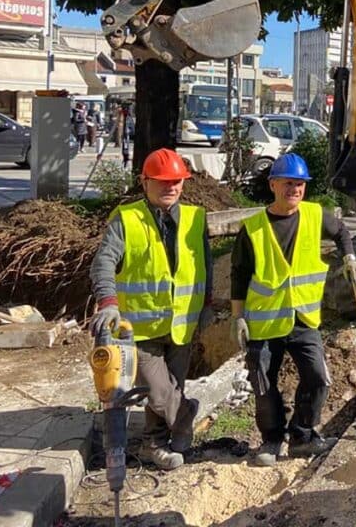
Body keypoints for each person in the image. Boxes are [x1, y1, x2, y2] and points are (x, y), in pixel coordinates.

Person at [230, 152, 356, 467]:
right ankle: (271, 439)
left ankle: (302, 436)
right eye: (288, 183)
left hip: (303, 318)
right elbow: (239, 276)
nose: (295, 189)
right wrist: (238, 318)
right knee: (263, 382)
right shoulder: (253, 228)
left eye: (300, 184)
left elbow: (342, 232)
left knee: (317, 377)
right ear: (273, 185)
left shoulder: (315, 215)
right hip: (264, 323)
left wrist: (350, 258)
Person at [89, 148, 213, 471]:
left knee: (171, 389)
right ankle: (185, 417)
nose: (170, 187)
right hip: (139, 329)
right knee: (158, 393)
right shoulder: (127, 219)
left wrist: (207, 305)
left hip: (181, 324)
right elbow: (103, 263)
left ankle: (154, 445)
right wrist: (108, 303)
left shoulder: (196, 218)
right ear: (145, 182)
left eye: (176, 181)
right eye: (162, 181)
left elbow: (205, 265)